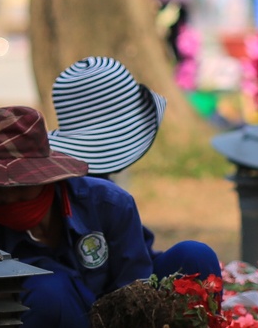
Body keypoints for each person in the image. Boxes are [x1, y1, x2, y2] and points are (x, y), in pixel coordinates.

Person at [0, 105, 155, 328]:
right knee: (51, 292)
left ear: (45, 177)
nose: (10, 198)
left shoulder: (109, 204)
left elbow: (133, 284)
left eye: (21, 185)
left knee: (193, 255)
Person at [48, 56, 221, 280]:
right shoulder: (82, 193)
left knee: (195, 256)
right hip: (91, 290)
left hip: (127, 277)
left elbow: (138, 255)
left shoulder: (102, 183)